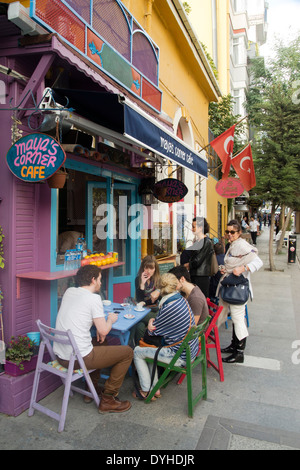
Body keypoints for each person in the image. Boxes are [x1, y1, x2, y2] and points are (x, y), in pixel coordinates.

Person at [53, 265, 133, 414]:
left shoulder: (69, 292)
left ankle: (91, 390)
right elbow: (104, 329)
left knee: (100, 341)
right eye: (100, 279)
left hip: (61, 355)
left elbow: (81, 316)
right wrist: (110, 319)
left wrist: (99, 329)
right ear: (93, 280)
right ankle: (108, 399)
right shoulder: (94, 298)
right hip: (79, 358)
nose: (101, 283)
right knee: (127, 352)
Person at [133, 273, 197, 400]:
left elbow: (152, 332)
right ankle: (154, 388)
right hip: (190, 350)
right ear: (175, 286)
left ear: (160, 289)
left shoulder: (168, 307)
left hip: (179, 355)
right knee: (151, 347)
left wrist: (151, 322)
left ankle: (146, 390)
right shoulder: (181, 299)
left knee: (137, 351)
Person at [216, 220, 263, 364]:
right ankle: (234, 346)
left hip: (238, 289)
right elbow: (234, 262)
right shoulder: (234, 245)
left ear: (239, 233)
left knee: (238, 319)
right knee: (237, 319)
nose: (229, 235)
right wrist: (227, 269)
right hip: (233, 286)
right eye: (227, 232)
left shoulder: (242, 245)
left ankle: (239, 352)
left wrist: (243, 269)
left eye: (232, 232)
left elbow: (258, 261)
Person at [130, 255, 161, 347]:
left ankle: (130, 347)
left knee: (134, 317)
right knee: (139, 326)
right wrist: (142, 284)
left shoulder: (158, 280)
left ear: (155, 269)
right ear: (143, 267)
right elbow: (140, 300)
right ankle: (139, 350)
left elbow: (155, 300)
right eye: (146, 268)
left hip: (155, 311)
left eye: (151, 268)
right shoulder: (138, 279)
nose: (149, 271)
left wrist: (158, 291)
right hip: (143, 310)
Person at [187, 217, 214, 298]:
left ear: (200, 227)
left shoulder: (206, 242)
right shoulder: (198, 241)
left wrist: (188, 265)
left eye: (194, 226)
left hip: (201, 277)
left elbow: (197, 261)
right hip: (196, 275)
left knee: (199, 299)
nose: (192, 229)